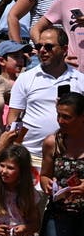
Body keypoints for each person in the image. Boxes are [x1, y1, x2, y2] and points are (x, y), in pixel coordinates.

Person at [9, 27, 84, 160]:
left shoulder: (80, 80)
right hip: (30, 156)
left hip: (72, 156)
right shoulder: (26, 78)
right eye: (39, 46)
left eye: (48, 46)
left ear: (64, 50)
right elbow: (14, 117)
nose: (42, 50)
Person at [39, 90, 84, 236]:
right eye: (58, 115)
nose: (60, 121)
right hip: (59, 216)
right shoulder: (52, 142)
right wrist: (47, 184)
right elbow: (44, 175)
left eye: (66, 117)